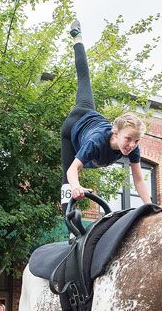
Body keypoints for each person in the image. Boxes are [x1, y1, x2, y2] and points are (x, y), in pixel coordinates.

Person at [61, 20, 151, 209]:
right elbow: (72, 170)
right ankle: (77, 38)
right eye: (128, 139)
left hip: (90, 114)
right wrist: (76, 187)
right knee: (67, 186)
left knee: (85, 82)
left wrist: (150, 206)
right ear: (115, 132)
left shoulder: (132, 147)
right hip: (73, 129)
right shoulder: (96, 143)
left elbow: (139, 179)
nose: (131, 145)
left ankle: (78, 37)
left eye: (136, 141)